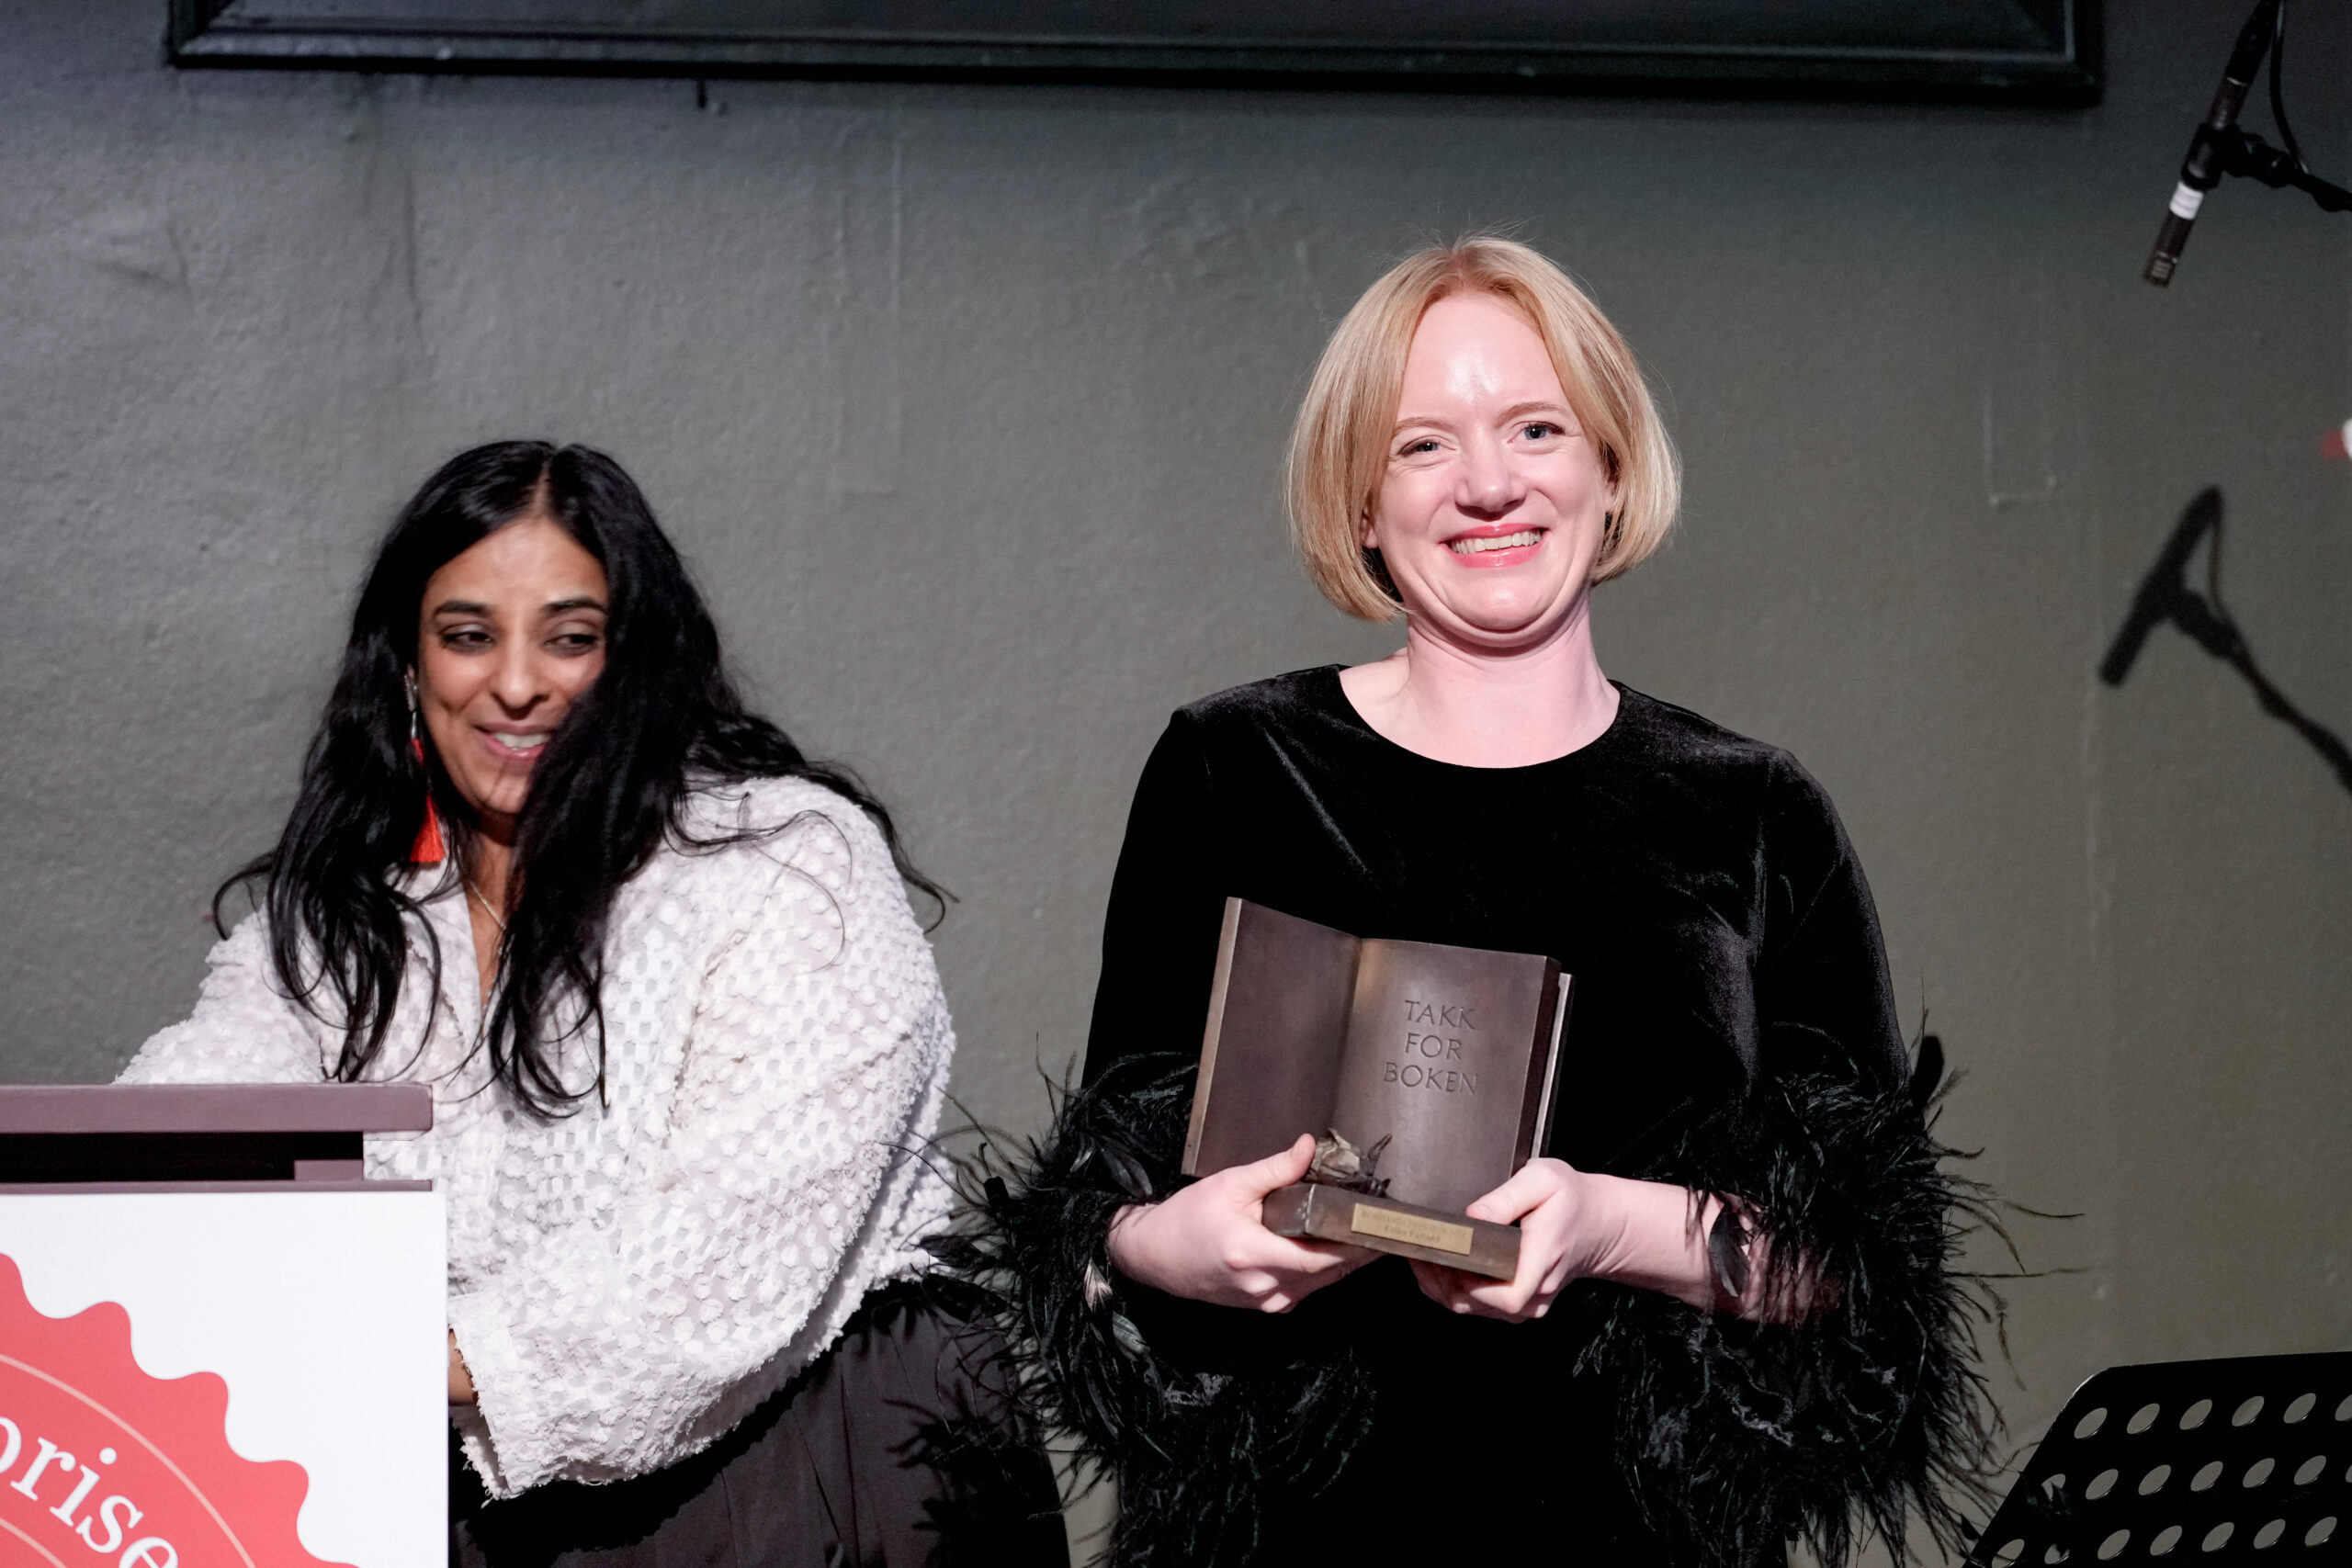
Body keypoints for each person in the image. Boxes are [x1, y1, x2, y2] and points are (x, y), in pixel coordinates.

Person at [972, 239, 1989, 1567]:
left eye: (1536, 426)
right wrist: (1181, 1244)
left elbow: (1860, 1262)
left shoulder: (1749, 809)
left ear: (1611, 470)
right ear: (1358, 507)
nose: (1492, 482)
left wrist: (1609, 1223)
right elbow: (1103, 1194)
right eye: (1423, 447)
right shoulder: (1236, 769)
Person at [119, 442, 1068, 1567]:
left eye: (570, 637)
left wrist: (384, 1347)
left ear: (635, 658)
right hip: (470, 1478)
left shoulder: (785, 862)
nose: (517, 683)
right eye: (467, 635)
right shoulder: (338, 919)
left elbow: (732, 1240)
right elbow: (177, 1143)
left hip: (809, 1471)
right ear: (407, 665)